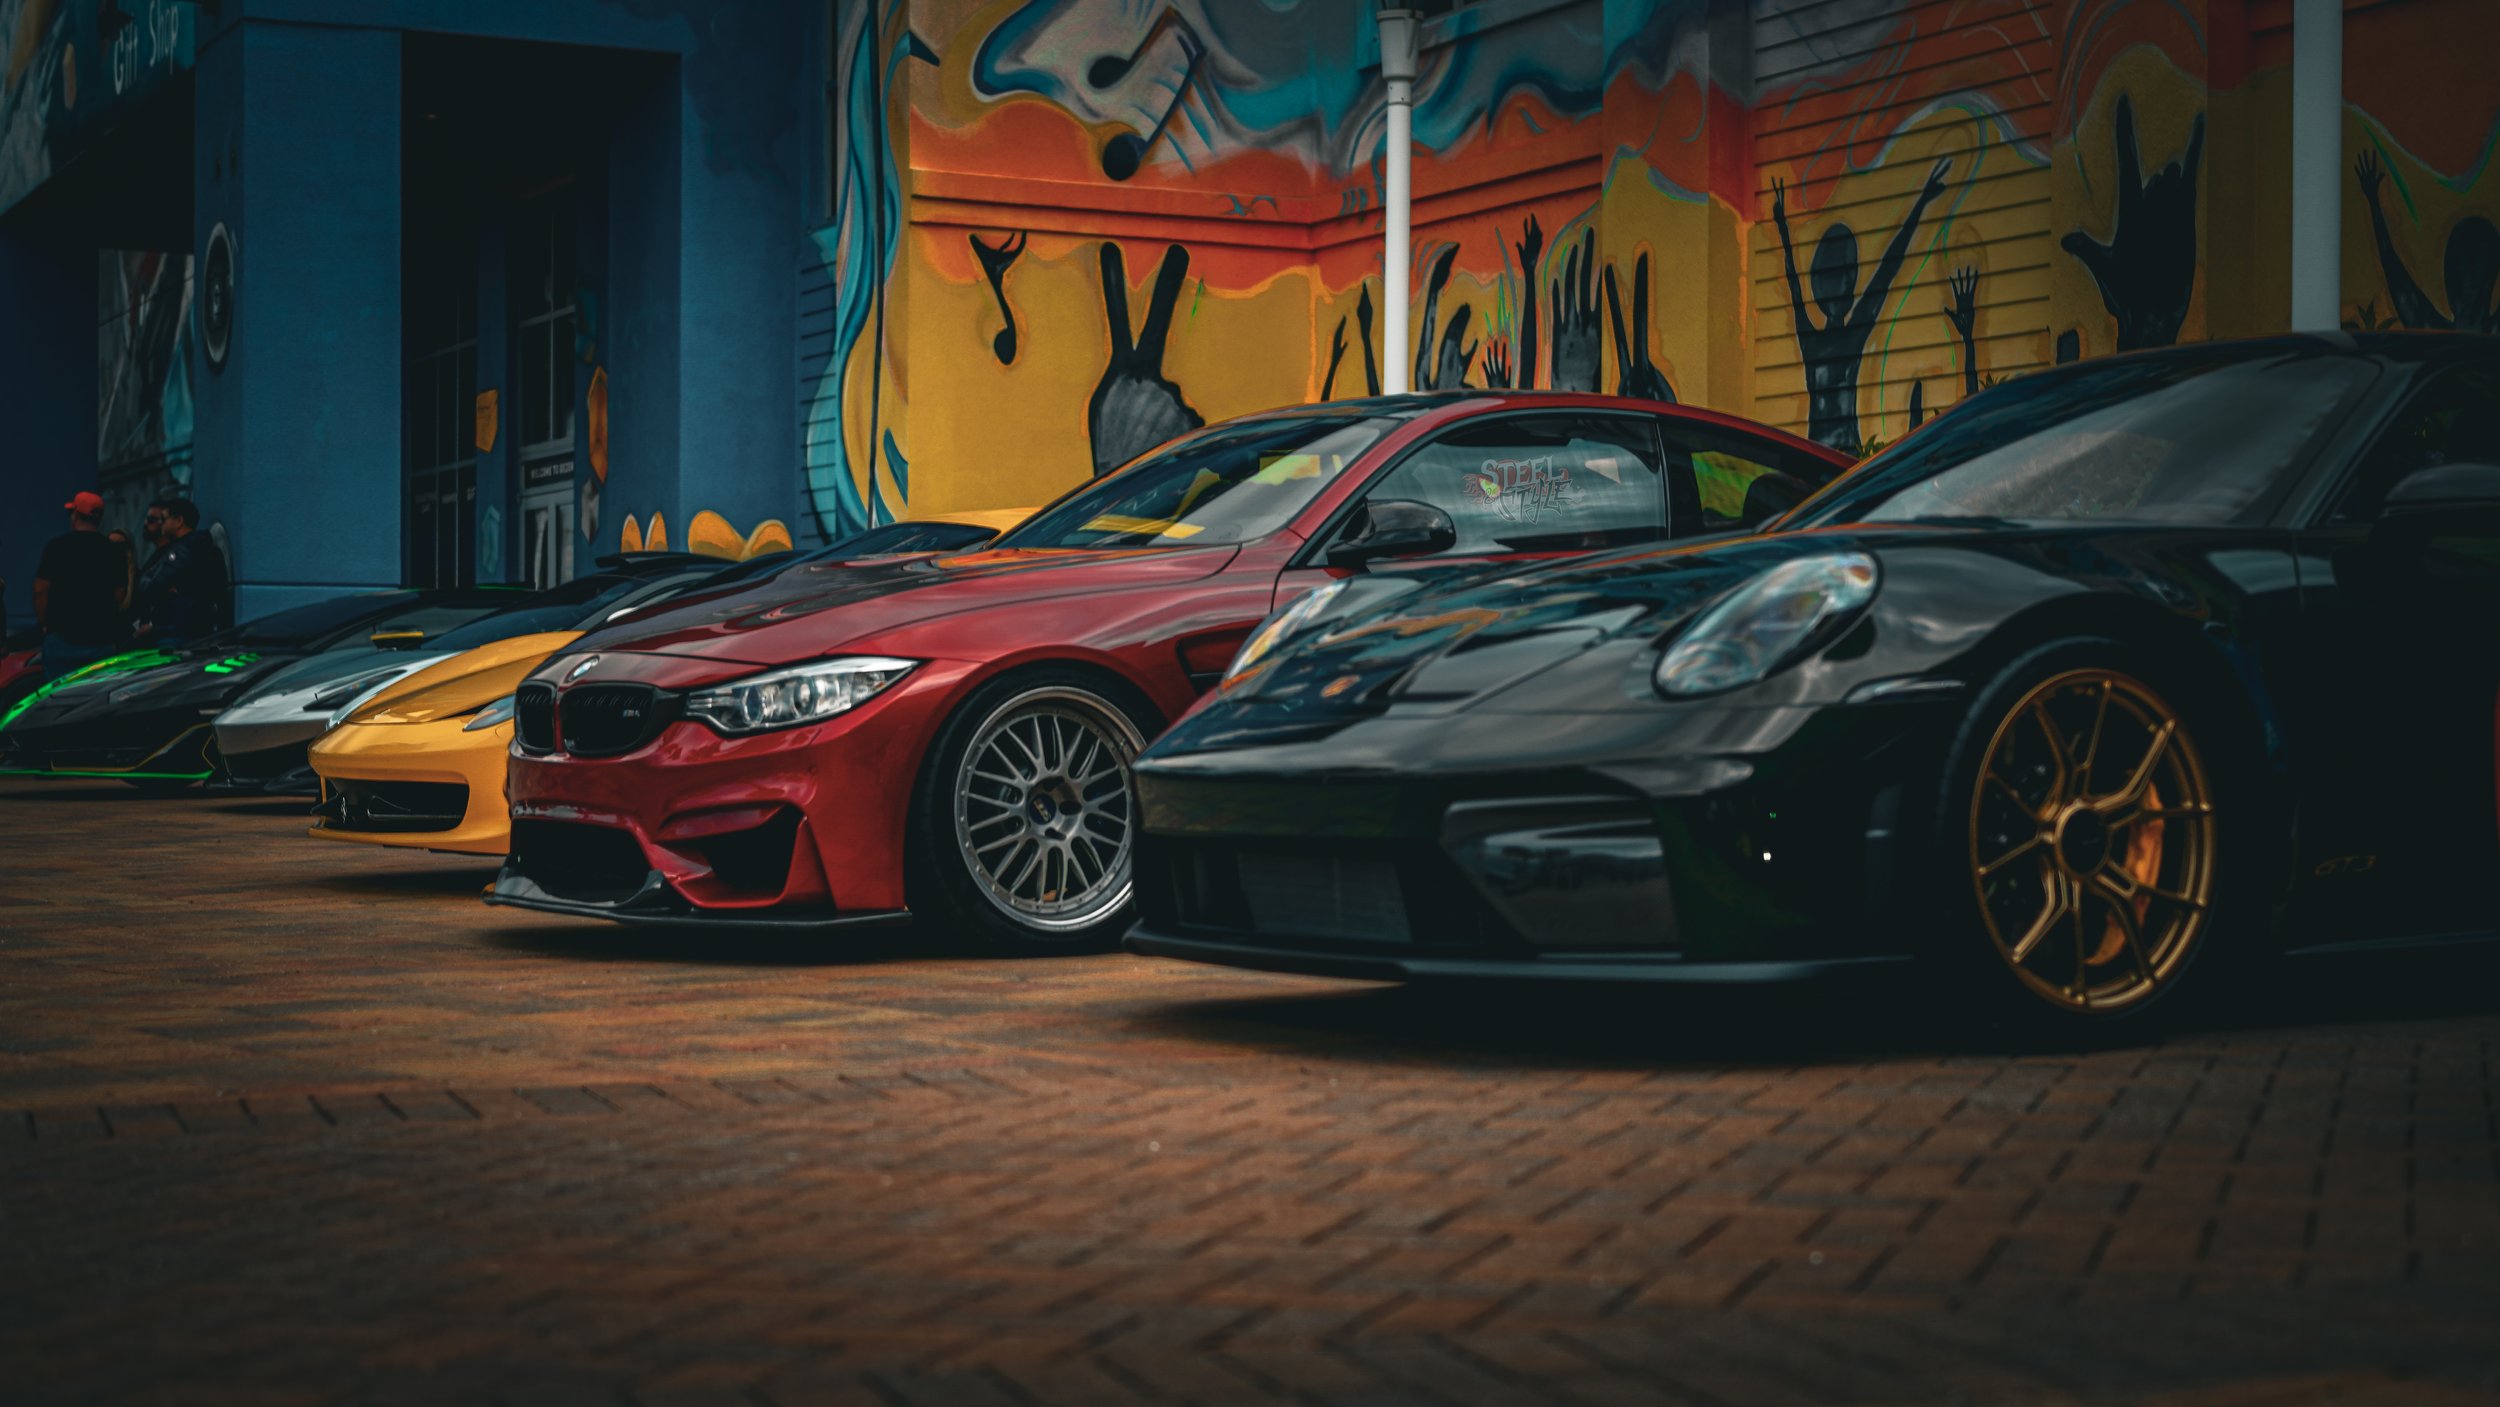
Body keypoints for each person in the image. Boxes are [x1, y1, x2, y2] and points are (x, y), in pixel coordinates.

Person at [33, 492, 130, 676]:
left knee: (59, 698)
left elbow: (40, 589)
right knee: (96, 700)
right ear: (98, 519)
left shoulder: (57, 547)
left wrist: (44, 623)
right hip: (101, 638)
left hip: (61, 639)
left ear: (75, 515)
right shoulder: (113, 551)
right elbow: (119, 593)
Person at [134, 496, 230, 647]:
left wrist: (163, 587)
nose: (162, 524)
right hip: (192, 630)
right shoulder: (199, 547)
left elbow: (150, 586)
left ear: (179, 521)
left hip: (177, 632)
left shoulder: (183, 551)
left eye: (164, 519)